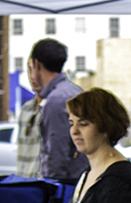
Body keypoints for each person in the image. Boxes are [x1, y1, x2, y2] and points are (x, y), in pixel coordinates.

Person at [29, 38, 89, 182]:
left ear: (36, 64)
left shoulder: (56, 101)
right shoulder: (75, 91)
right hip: (81, 179)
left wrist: (50, 190)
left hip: (66, 186)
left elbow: (56, 153)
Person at [16, 57, 43, 178]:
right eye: (30, 70)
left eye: (37, 70)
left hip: (44, 185)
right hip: (23, 182)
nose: (33, 76)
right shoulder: (26, 108)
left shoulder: (55, 107)